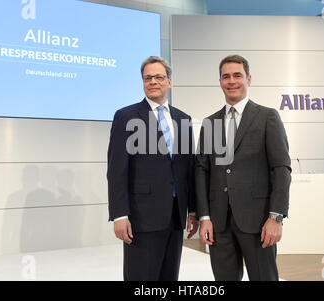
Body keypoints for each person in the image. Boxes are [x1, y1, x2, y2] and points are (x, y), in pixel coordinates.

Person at [195, 55, 291, 281]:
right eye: (225, 76)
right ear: (220, 81)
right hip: (219, 224)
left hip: (258, 222)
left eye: (237, 75)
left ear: (248, 79)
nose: (231, 81)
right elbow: (201, 171)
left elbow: (281, 169)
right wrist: (204, 217)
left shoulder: (267, 117)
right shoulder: (210, 123)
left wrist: (275, 217)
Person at [107, 56, 198, 281]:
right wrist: (119, 214)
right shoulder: (126, 116)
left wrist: (193, 211)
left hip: (176, 218)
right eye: (148, 78)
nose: (153, 82)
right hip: (142, 218)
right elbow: (117, 169)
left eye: (159, 77)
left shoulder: (183, 119)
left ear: (169, 81)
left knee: (169, 278)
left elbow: (188, 169)